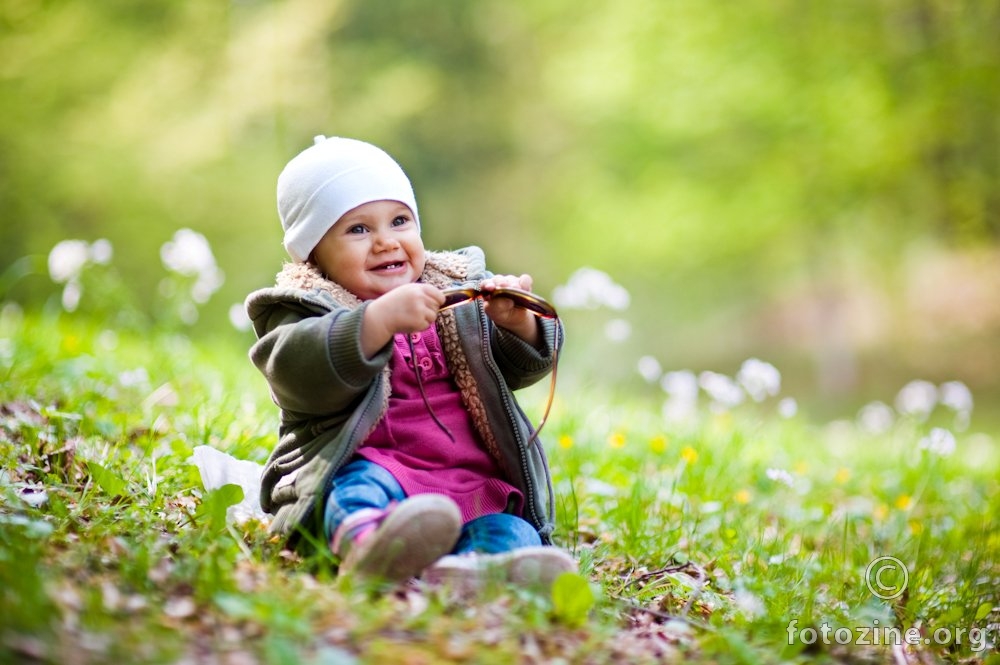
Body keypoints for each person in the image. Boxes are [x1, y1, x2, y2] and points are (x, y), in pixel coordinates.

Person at [245, 135, 575, 590]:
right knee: (357, 491)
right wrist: (373, 322)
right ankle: (370, 548)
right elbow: (297, 372)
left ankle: (477, 571)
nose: (385, 242)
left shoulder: (454, 295)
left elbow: (520, 368)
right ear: (313, 254)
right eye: (358, 229)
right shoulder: (310, 307)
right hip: (374, 467)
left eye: (400, 221)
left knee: (511, 528)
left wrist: (517, 325)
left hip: (467, 480)